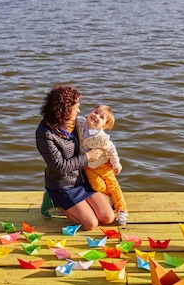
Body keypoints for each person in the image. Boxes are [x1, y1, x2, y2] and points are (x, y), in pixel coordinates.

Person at [35, 85, 115, 230]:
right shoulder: (45, 134)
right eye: (75, 108)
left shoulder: (75, 123)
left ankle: (79, 206)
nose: (78, 111)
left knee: (108, 218)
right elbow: (60, 167)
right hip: (62, 185)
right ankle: (53, 200)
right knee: (90, 224)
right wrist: (88, 156)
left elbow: (96, 135)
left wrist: (108, 158)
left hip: (81, 180)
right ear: (64, 110)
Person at [77, 105, 128, 225]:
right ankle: (110, 198)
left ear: (104, 126)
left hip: (103, 164)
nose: (96, 116)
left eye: (101, 117)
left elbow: (111, 150)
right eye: (95, 112)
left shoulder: (102, 137)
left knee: (113, 185)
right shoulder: (80, 123)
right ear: (90, 112)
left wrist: (116, 164)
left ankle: (122, 209)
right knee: (97, 187)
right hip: (88, 166)